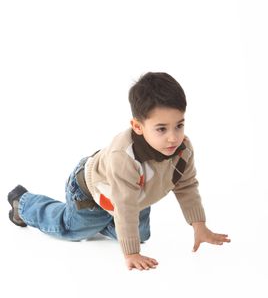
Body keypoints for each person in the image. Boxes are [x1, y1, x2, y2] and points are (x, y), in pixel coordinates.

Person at [7, 72, 230, 271]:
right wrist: (130, 253)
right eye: (161, 129)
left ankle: (110, 220)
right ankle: (24, 203)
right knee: (73, 230)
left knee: (141, 235)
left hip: (134, 196)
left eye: (179, 125)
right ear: (138, 127)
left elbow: (187, 186)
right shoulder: (124, 158)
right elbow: (125, 205)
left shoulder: (183, 151)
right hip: (92, 190)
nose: (173, 137)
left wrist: (199, 226)